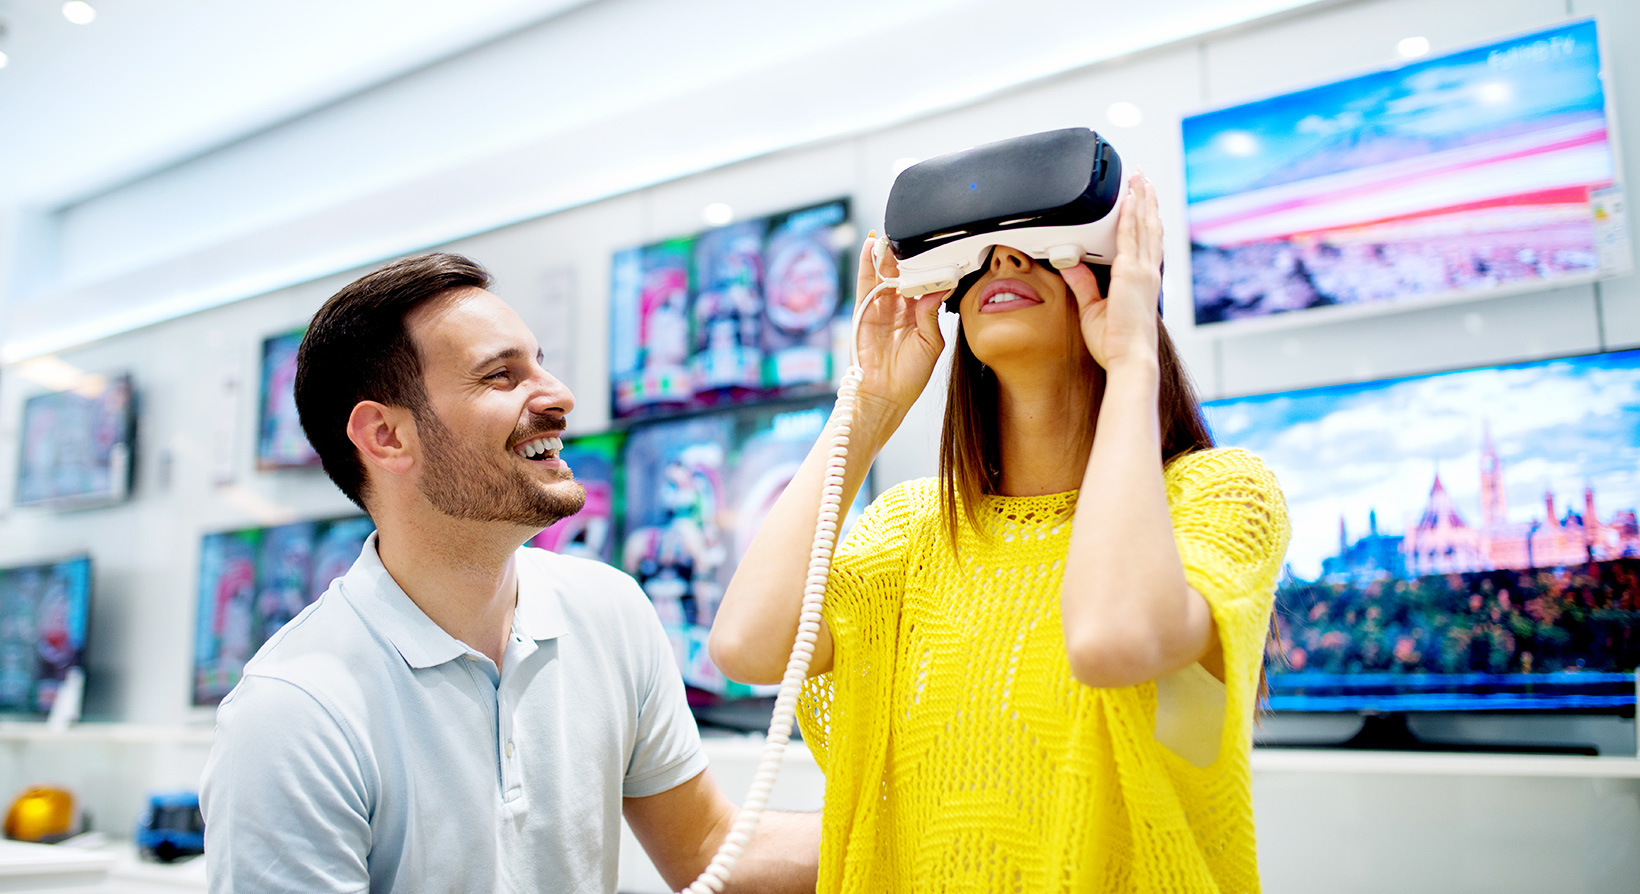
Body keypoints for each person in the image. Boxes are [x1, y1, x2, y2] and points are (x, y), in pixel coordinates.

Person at [709, 173, 1291, 892]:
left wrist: (1133, 358)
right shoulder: (910, 530)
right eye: (980, 256)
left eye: (1039, 246)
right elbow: (747, 645)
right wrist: (867, 401)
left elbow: (1112, 638)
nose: (1003, 262)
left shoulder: (1217, 495)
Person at [200, 253, 818, 894]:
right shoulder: (291, 714)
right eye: (501, 375)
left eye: (540, 363)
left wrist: (924, 812)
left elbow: (710, 849)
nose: (559, 396)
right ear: (385, 435)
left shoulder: (610, 612)